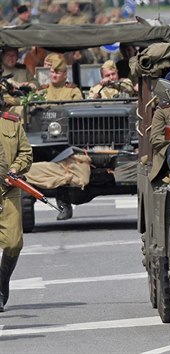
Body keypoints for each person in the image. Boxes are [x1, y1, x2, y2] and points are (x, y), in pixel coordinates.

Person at [37, 55, 83, 220]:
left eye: (58, 72)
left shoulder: (72, 91)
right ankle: (62, 203)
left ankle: (64, 203)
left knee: (64, 165)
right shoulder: (41, 91)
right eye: (52, 72)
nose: (54, 75)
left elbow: (78, 110)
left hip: (69, 138)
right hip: (46, 139)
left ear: (65, 74)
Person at [0, 106, 34, 312]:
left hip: (8, 190)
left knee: (13, 243)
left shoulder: (11, 122)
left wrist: (14, 169)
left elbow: (26, 152)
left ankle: (2, 282)